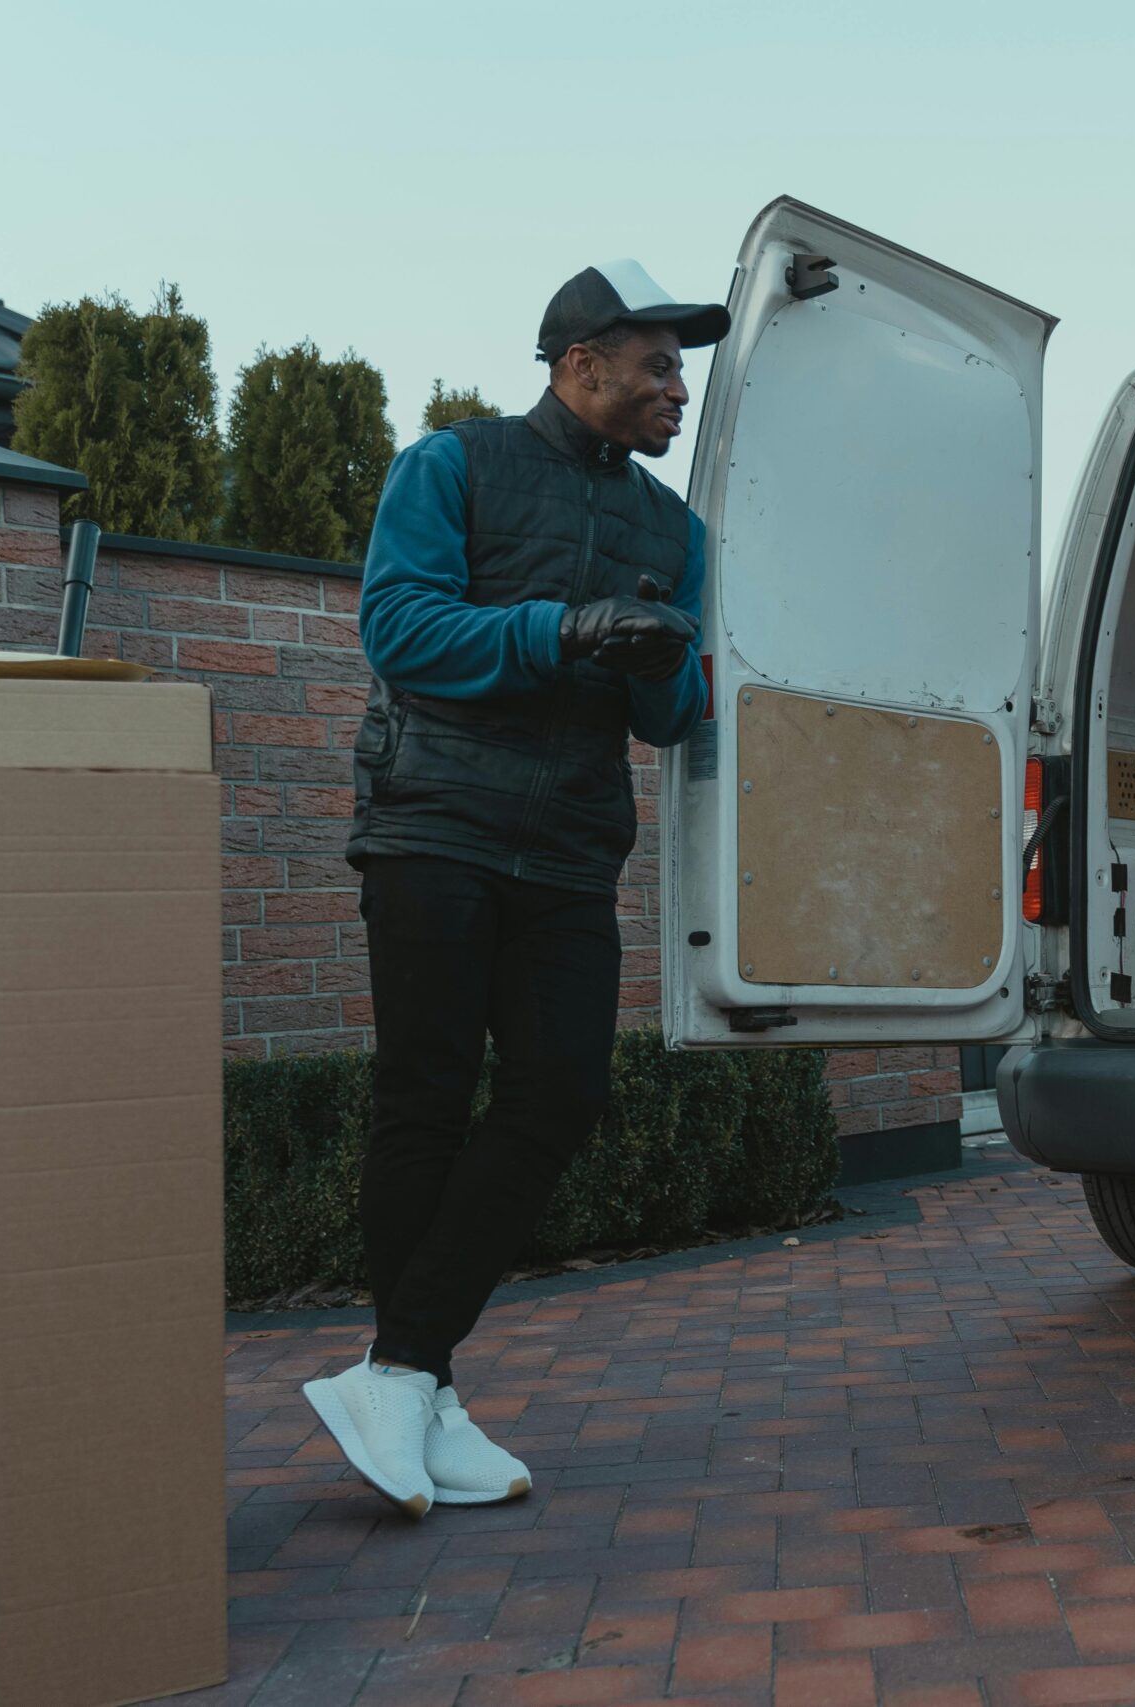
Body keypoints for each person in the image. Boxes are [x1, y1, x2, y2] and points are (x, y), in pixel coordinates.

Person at [301, 262, 727, 1517]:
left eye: (680, 367)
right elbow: (402, 632)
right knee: (425, 1096)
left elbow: (668, 716)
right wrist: (568, 629)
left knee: (560, 1091)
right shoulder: (453, 466)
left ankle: (403, 1370)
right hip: (434, 819)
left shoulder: (676, 530)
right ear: (579, 363)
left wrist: (662, 665)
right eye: (657, 365)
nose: (677, 388)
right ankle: (418, 1391)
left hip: (566, 847)